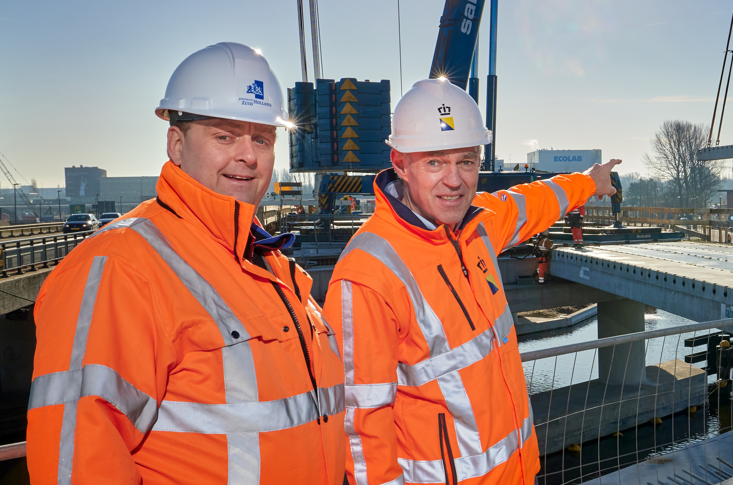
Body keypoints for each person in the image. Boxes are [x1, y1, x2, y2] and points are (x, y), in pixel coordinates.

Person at [27, 42, 345, 484]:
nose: (248, 156)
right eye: (224, 136)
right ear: (176, 145)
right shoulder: (120, 265)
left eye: (262, 139)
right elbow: (78, 459)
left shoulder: (270, 264)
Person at [325, 79, 620, 485]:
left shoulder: (477, 225)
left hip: (518, 472)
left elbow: (536, 200)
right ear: (399, 162)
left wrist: (589, 181)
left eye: (466, 161)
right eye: (434, 162)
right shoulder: (368, 274)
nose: (454, 180)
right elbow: (361, 429)